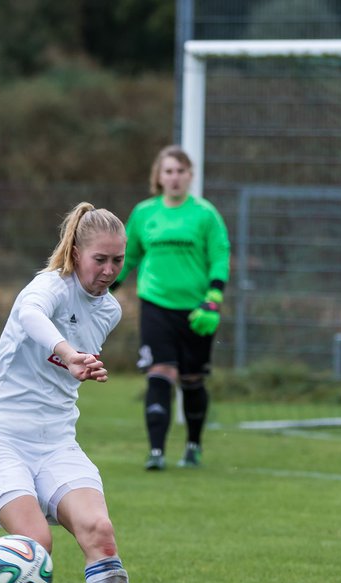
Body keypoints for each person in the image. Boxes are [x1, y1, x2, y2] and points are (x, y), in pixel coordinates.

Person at [0, 202, 171, 583]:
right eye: (101, 259)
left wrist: (80, 364)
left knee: (99, 530)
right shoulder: (47, 288)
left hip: (55, 439)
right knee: (37, 541)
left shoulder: (110, 309)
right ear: (75, 254)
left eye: (119, 260)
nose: (111, 270)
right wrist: (72, 355)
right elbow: (31, 315)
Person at [114, 145, 231, 471]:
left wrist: (214, 299)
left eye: (181, 171)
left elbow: (219, 257)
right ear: (159, 177)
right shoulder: (144, 213)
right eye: (168, 171)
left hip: (196, 311)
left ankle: (193, 446)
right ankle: (156, 452)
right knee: (159, 372)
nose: (175, 177)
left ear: (190, 175)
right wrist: (106, 288)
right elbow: (128, 256)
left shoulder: (205, 214)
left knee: (192, 379)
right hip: (155, 304)